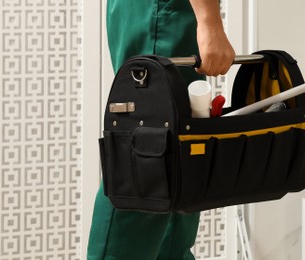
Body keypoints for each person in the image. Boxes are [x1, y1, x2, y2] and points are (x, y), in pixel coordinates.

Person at [87, 0, 235, 259]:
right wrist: (210, 22)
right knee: (148, 156)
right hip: (163, 12)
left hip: (158, 12)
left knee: (176, 153)